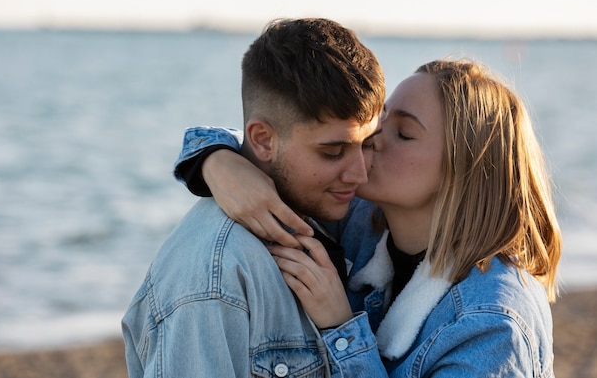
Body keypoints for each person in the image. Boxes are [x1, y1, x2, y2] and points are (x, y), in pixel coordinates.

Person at [173, 58, 562, 377]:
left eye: (404, 133)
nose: (371, 139)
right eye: (380, 121)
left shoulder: (492, 323)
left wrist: (341, 328)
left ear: (467, 170)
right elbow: (281, 140)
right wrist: (218, 162)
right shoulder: (363, 223)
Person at [121, 18, 387, 377]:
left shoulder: (331, 211)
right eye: (333, 152)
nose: (360, 173)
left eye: (368, 144)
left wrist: (210, 155)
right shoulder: (213, 281)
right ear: (262, 140)